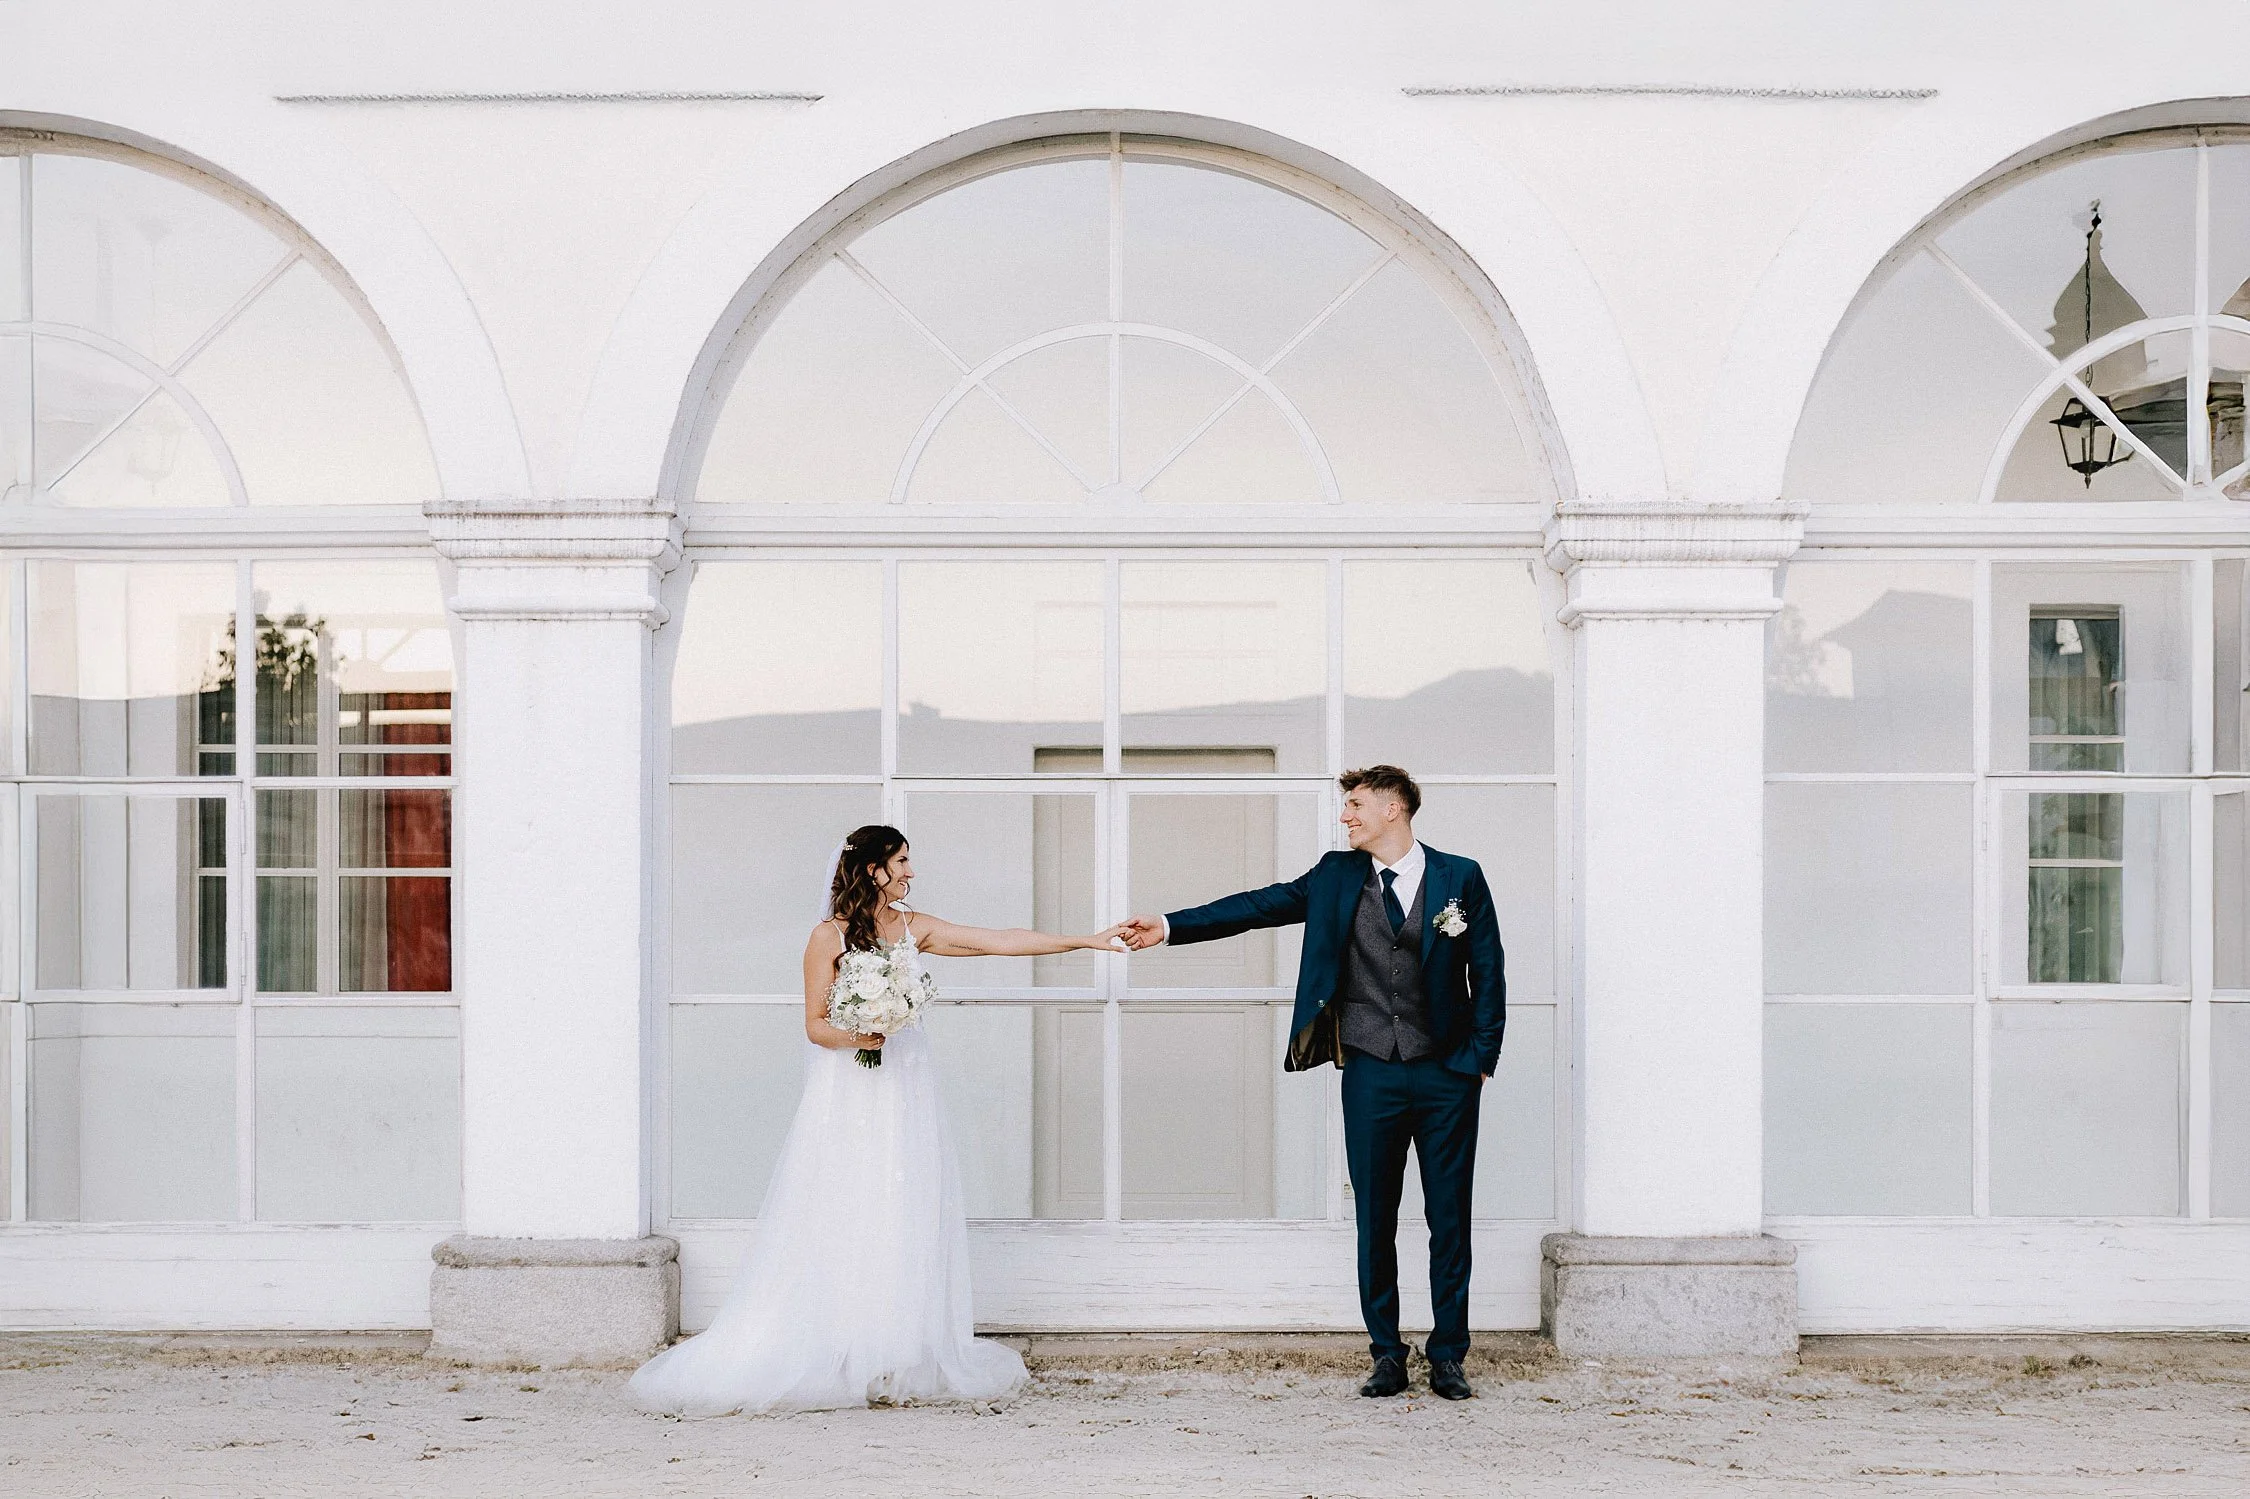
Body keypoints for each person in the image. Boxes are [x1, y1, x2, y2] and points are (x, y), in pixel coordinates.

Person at [629, 823, 1131, 1416]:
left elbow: (993, 941)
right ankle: (839, 1349)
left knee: (905, 1202)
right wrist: (859, 1033)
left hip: (906, 1085)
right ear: (874, 869)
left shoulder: (913, 927)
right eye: (903, 862)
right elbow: (815, 1023)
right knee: (848, 1200)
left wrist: (1085, 941)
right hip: (851, 1086)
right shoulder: (827, 937)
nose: (912, 873)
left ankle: (894, 1351)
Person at [1119, 765, 1504, 1401]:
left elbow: (1488, 972)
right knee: (1375, 1219)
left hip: (1446, 1074)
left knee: (1449, 1219)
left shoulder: (1460, 877)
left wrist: (1480, 1059)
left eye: (1355, 806)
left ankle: (1448, 1355)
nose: (1346, 817)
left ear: (1394, 809)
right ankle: (1386, 1353)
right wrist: (1169, 924)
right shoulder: (1335, 874)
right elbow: (1259, 906)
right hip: (1371, 1073)